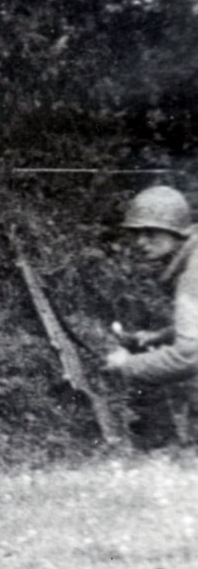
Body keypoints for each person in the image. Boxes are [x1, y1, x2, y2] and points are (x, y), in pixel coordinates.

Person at [103, 185, 198, 443]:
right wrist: (161, 336)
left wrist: (127, 365)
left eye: (150, 232)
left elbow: (189, 358)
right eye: (136, 233)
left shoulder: (194, 272)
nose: (140, 242)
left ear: (175, 230)